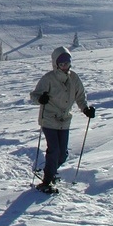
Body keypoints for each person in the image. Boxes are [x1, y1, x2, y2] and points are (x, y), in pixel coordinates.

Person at [30, 46, 95, 194]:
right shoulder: (48, 79)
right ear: (56, 64)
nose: (65, 66)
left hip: (64, 120)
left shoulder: (74, 78)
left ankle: (50, 171)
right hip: (48, 119)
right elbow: (34, 96)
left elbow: (80, 96)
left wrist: (85, 109)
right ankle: (47, 180)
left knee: (62, 154)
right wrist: (41, 98)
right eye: (62, 64)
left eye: (67, 63)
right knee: (54, 150)